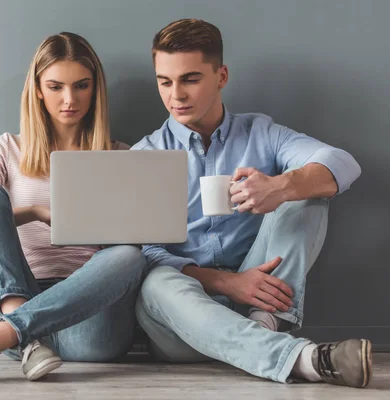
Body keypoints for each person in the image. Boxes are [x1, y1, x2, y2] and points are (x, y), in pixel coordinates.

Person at [132, 19, 371, 388]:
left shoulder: (261, 132)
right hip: (182, 321)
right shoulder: (144, 154)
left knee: (306, 194)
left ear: (221, 75)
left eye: (190, 79)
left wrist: (280, 186)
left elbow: (342, 163)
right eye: (165, 82)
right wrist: (227, 283)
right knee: (155, 282)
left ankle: (263, 331)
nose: (175, 95)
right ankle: (296, 356)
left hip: (263, 301)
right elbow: (145, 253)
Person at [0, 32, 146, 386]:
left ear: (95, 89)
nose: (70, 99)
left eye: (81, 86)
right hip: (16, 293)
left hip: (87, 322)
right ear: (37, 89)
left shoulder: (120, 156)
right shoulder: (7, 149)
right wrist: (35, 211)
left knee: (130, 257)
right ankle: (24, 332)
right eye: (56, 87)